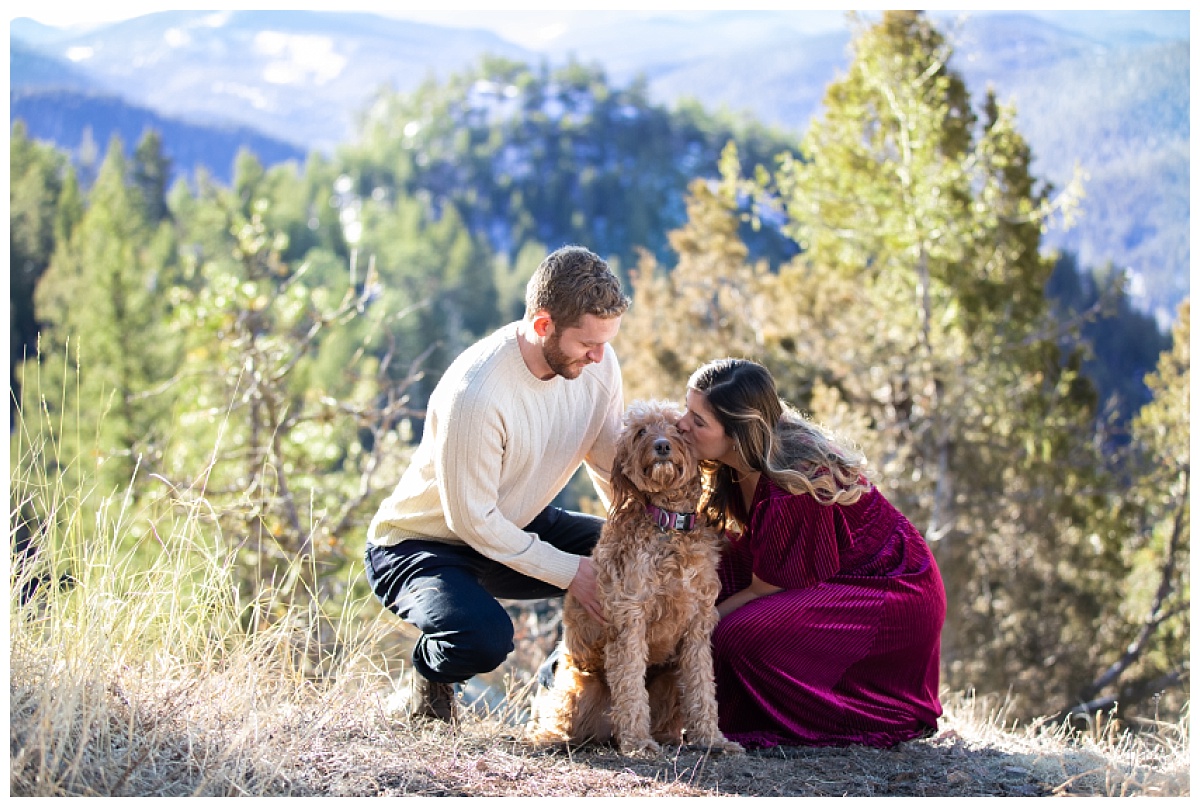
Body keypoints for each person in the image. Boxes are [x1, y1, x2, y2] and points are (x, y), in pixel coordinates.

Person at [364, 245, 629, 723]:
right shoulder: (478, 392)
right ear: (543, 324)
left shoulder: (598, 365)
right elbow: (472, 520)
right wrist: (573, 572)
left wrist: (637, 540)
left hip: (515, 518)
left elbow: (611, 467)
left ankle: (557, 700)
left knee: (632, 566)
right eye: (587, 343)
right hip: (424, 543)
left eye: (607, 342)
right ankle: (424, 690)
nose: (599, 356)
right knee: (481, 639)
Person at [677, 358, 946, 749]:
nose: (683, 423)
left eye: (698, 421)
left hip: (890, 590)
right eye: (687, 408)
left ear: (739, 434)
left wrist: (692, 630)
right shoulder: (738, 458)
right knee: (705, 582)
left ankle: (867, 714)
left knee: (732, 637)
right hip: (828, 572)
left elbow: (762, 591)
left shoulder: (790, 485)